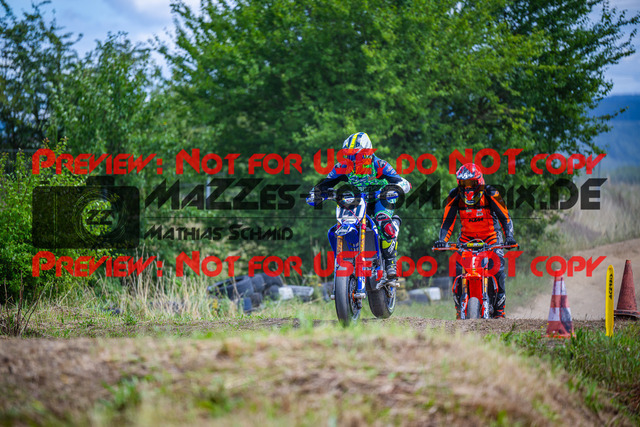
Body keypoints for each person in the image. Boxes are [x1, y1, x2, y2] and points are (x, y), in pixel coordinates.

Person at [307, 132, 411, 279]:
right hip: (358, 200)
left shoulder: (379, 165)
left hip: (381, 199)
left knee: (383, 221)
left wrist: (395, 189)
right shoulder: (343, 167)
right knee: (343, 223)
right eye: (349, 155)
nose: (352, 160)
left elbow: (404, 182)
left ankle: (390, 262)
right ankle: (346, 261)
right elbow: (324, 184)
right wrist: (315, 194)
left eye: (356, 155)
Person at [434, 163, 517, 318]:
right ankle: (459, 308)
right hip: (466, 240)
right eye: (463, 183)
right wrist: (442, 240)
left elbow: (505, 218)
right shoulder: (454, 195)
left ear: (479, 181)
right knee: (457, 270)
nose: (467, 188)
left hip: (491, 238)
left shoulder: (492, 193)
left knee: (497, 268)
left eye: (471, 183)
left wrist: (509, 237)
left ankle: (500, 310)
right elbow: (447, 222)